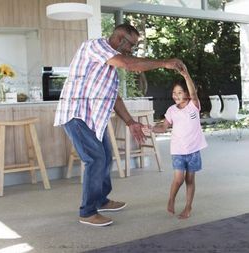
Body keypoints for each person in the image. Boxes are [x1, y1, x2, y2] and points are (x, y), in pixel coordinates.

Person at [54, 23, 185, 227]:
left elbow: (114, 97)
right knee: (95, 159)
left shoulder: (109, 67)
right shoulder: (93, 47)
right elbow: (130, 64)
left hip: (94, 119)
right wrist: (165, 63)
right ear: (119, 38)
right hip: (77, 114)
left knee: (105, 156)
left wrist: (131, 122)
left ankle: (101, 200)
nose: (131, 50)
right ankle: (87, 212)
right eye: (130, 45)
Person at [151, 66, 208, 219]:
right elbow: (163, 127)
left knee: (190, 179)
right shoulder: (171, 110)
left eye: (180, 92)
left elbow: (194, 93)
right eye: (174, 92)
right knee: (178, 179)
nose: (176, 95)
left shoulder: (193, 106)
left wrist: (186, 75)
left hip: (194, 150)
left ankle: (188, 207)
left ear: (188, 94)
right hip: (177, 150)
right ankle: (171, 199)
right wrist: (150, 128)